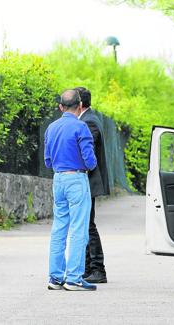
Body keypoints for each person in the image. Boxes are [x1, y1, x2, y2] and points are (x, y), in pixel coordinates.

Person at [44, 89, 97, 291]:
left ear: (60, 107)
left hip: (58, 179)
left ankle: (55, 277)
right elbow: (90, 161)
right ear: (81, 106)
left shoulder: (51, 128)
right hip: (76, 179)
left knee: (59, 228)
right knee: (78, 229)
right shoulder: (81, 127)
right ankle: (74, 278)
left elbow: (47, 161)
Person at [75, 87, 110, 284]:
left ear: (79, 104)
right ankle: (89, 268)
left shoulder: (89, 122)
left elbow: (86, 152)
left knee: (89, 226)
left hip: (89, 181)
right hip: (87, 181)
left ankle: (97, 268)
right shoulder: (89, 119)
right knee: (86, 224)